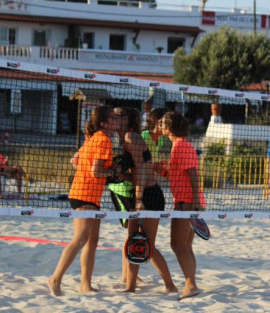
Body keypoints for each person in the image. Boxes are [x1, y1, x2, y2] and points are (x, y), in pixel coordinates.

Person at [48, 105, 117, 297]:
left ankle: (85, 284)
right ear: (103, 123)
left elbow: (74, 160)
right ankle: (55, 278)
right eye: (112, 118)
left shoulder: (92, 139)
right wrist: (113, 171)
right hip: (85, 194)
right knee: (80, 239)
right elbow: (96, 171)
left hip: (86, 193)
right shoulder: (102, 140)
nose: (116, 120)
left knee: (92, 241)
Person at [119, 107, 177, 294]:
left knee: (146, 244)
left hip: (149, 194)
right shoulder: (125, 138)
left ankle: (170, 285)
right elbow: (136, 172)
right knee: (133, 241)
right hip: (141, 191)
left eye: (116, 116)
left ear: (125, 119)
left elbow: (142, 171)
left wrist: (139, 199)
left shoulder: (131, 138)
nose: (112, 118)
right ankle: (130, 286)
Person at [158, 111, 205, 299]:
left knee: (178, 244)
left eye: (162, 123)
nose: (160, 126)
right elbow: (181, 173)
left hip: (187, 201)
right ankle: (190, 283)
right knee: (185, 245)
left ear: (169, 128)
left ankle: (191, 284)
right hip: (187, 199)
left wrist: (193, 202)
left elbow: (193, 174)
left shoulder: (180, 146)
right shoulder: (180, 145)